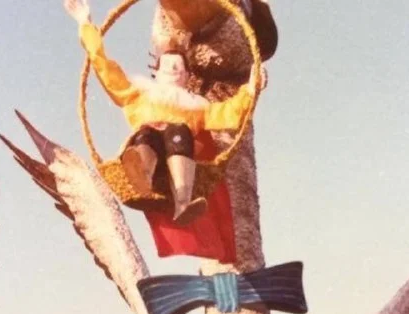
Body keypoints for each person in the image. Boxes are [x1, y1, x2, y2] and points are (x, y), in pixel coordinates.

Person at [64, 0, 264, 226]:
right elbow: (106, 70)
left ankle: (183, 201)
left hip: (181, 152)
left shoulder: (195, 106)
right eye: (167, 65)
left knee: (179, 131)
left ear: (187, 77)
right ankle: (142, 177)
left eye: (178, 66)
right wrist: (85, 23)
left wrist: (250, 89)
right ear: (156, 72)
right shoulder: (141, 94)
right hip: (148, 144)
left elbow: (229, 113)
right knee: (146, 134)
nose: (173, 69)